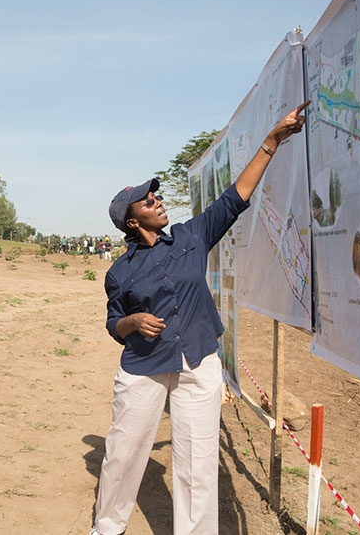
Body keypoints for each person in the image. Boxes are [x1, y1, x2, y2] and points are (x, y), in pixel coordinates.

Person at [91, 101, 309, 535]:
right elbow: (114, 323)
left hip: (198, 362)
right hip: (145, 368)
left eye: (156, 195)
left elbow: (235, 199)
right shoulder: (121, 271)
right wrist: (132, 323)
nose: (158, 200)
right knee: (124, 451)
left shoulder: (192, 236)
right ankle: (108, 526)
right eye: (148, 201)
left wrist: (272, 141)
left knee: (198, 460)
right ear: (132, 222)